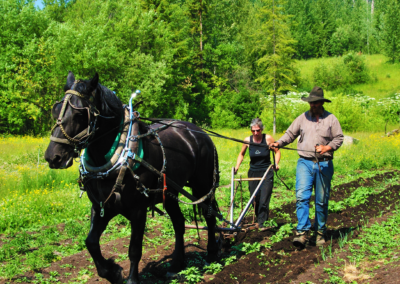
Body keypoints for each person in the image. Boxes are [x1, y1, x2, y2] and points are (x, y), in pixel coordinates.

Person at [270, 86, 344, 247]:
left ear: (321, 103)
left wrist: (327, 148)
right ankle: (302, 232)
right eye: (311, 103)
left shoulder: (331, 119)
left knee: (321, 201)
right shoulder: (302, 118)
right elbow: (290, 134)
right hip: (304, 162)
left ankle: (319, 233)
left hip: (323, 164)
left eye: (315, 103)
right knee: (302, 197)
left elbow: (339, 138)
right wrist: (278, 143)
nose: (313, 105)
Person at [234, 118, 281, 231]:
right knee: (254, 199)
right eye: (253, 131)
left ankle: (262, 223)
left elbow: (277, 151)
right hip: (253, 171)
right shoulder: (247, 140)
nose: (255, 133)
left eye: (258, 130)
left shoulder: (268, 138)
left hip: (266, 171)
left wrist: (276, 163)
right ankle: (261, 219)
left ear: (261, 129)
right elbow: (241, 154)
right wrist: (237, 166)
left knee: (264, 198)